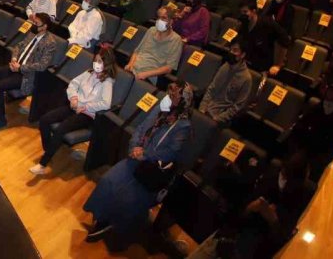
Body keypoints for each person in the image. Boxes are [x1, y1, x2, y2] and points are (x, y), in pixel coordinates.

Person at [83, 81, 194, 242]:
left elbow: (171, 152)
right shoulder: (160, 108)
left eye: (174, 93)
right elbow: (141, 128)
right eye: (169, 90)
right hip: (136, 158)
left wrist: (145, 154)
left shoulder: (183, 125)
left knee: (125, 198)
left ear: (183, 99)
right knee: (108, 181)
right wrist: (134, 146)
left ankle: (116, 227)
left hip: (152, 169)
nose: (169, 95)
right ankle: (101, 218)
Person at [30, 46, 117, 175]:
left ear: (107, 63)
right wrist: (74, 98)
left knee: (61, 129)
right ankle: (49, 150)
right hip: (74, 106)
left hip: (86, 114)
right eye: (96, 60)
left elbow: (105, 103)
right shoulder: (89, 72)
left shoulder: (107, 81)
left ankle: (43, 164)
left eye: (100, 61)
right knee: (44, 120)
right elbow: (73, 84)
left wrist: (85, 106)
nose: (96, 64)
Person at [0, 13, 57, 132]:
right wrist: (14, 59)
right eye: (34, 22)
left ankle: (0, 120)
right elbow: (18, 47)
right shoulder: (32, 34)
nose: (33, 25)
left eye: (37, 23)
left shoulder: (50, 42)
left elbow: (42, 65)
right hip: (14, 67)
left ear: (45, 26)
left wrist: (20, 67)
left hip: (26, 75)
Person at [125, 5, 183, 82]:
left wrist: (146, 74)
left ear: (171, 21)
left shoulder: (176, 40)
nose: (160, 20)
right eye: (158, 17)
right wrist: (130, 64)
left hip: (148, 76)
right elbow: (137, 51)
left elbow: (169, 68)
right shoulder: (151, 30)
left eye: (164, 18)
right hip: (133, 69)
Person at [199, 42, 252, 124]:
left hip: (219, 118)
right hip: (206, 110)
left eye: (235, 51)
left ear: (242, 55)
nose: (231, 52)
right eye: (230, 49)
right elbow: (211, 88)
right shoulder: (225, 67)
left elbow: (237, 106)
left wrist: (218, 118)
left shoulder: (246, 78)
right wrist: (202, 108)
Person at [239, 0, 290, 74]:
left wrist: (278, 65)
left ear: (254, 11)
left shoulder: (267, 23)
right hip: (246, 64)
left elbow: (285, 40)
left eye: (245, 12)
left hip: (263, 67)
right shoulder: (243, 24)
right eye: (241, 12)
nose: (243, 15)